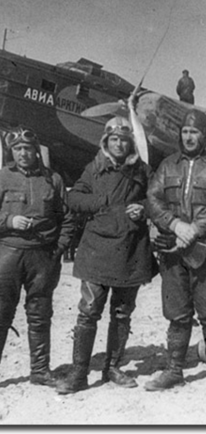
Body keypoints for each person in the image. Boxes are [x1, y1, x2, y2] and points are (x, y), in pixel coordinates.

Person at [56, 116, 156, 394]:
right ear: (106, 141)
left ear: (130, 142)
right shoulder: (94, 168)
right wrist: (100, 204)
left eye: (124, 139)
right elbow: (74, 197)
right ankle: (79, 373)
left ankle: (112, 367)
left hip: (130, 250)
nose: (119, 144)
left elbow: (159, 198)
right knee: (88, 313)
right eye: (114, 139)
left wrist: (144, 208)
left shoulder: (142, 170)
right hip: (97, 250)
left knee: (122, 314)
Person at [145, 109, 206, 396]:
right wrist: (174, 224)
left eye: (194, 132)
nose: (189, 137)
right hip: (173, 250)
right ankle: (174, 370)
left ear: (204, 135)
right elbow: (152, 198)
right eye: (185, 131)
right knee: (177, 314)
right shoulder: (168, 165)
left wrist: (194, 229)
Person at [0, 127, 74, 387]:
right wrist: (9, 220)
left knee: (40, 314)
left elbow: (67, 218)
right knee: (1, 313)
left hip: (43, 257)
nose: (23, 153)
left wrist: (59, 249)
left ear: (36, 151)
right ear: (12, 151)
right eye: (18, 149)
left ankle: (40, 371)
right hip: (8, 255)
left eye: (27, 149)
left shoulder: (52, 179)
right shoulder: (2, 178)